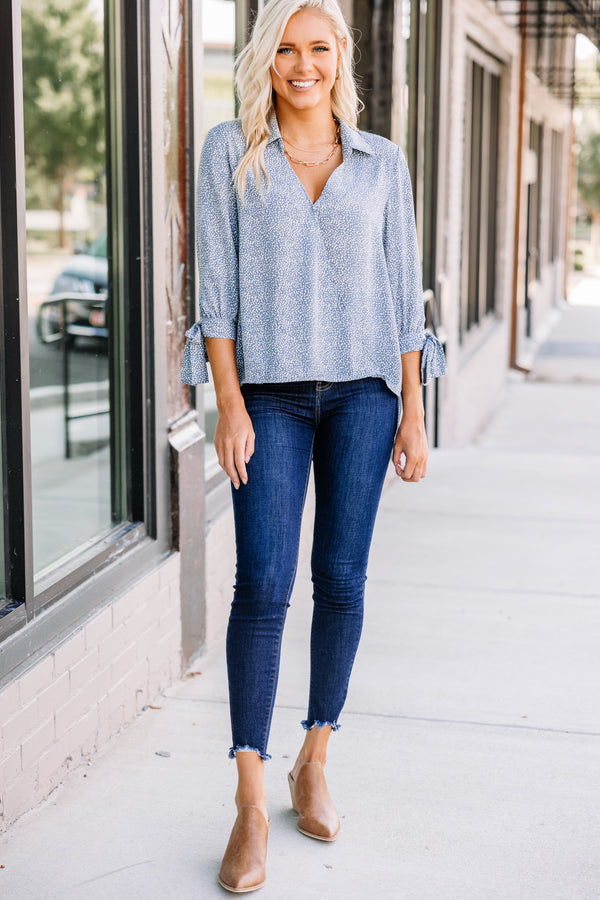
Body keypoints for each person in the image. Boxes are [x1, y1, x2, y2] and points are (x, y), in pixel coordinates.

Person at [181, 0, 446, 891]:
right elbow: (215, 295)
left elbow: (403, 293)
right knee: (262, 583)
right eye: (287, 49)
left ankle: (314, 757)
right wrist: (228, 403)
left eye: (319, 48)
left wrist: (413, 411)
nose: (304, 65)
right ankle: (251, 802)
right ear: (267, 60)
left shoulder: (383, 163)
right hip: (271, 398)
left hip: (367, 397)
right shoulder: (231, 151)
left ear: (341, 59)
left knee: (341, 578)